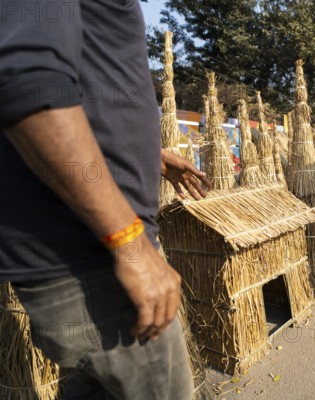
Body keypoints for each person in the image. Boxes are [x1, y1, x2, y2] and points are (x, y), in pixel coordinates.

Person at [0, 1, 211, 398]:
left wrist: (150, 156)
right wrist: (128, 241)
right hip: (95, 260)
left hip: (95, 257)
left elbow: (80, 90)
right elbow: (28, 83)